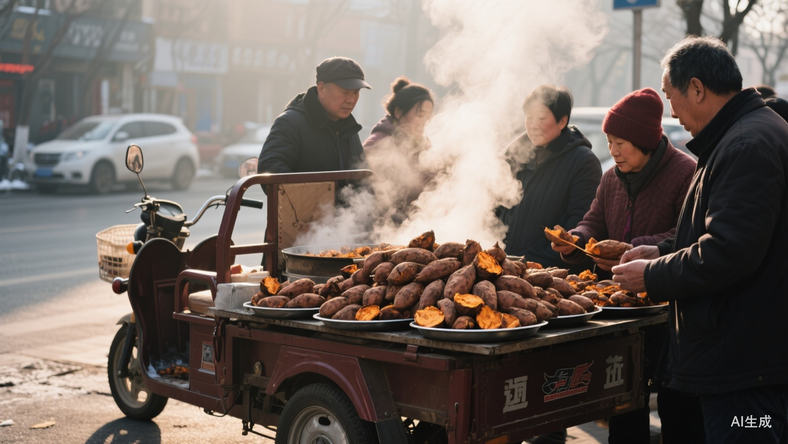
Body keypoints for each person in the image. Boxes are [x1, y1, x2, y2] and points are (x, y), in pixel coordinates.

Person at [612, 36, 788, 444]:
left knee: (748, 434)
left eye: (670, 96)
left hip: (746, 369)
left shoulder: (746, 143)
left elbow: (728, 250)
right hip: (745, 357)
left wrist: (652, 274)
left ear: (697, 88)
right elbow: (724, 232)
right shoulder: (744, 134)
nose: (672, 112)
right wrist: (662, 250)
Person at [551, 88, 703, 444]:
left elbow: (685, 234)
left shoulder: (686, 173)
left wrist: (632, 249)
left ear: (645, 141)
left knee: (674, 406)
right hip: (616, 308)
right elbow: (593, 224)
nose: (613, 151)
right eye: (609, 141)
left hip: (666, 309)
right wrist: (574, 239)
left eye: (621, 142)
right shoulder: (611, 179)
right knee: (622, 402)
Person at [498, 85, 601, 273]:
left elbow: (580, 224)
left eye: (542, 118)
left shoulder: (583, 162)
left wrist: (528, 263)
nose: (533, 124)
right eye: (528, 117)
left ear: (562, 121)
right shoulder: (513, 156)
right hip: (505, 270)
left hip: (551, 275)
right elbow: (495, 209)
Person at [257, 56, 371, 174]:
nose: (351, 100)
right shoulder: (291, 123)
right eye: (345, 92)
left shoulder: (349, 128)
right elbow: (270, 167)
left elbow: (363, 176)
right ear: (321, 88)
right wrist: (308, 190)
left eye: (356, 92)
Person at [363, 76, 435, 224]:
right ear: (398, 112)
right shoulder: (377, 144)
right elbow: (373, 196)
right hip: (385, 226)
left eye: (428, 117)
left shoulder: (425, 147)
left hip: (418, 222)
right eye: (420, 115)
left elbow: (432, 185)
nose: (424, 122)